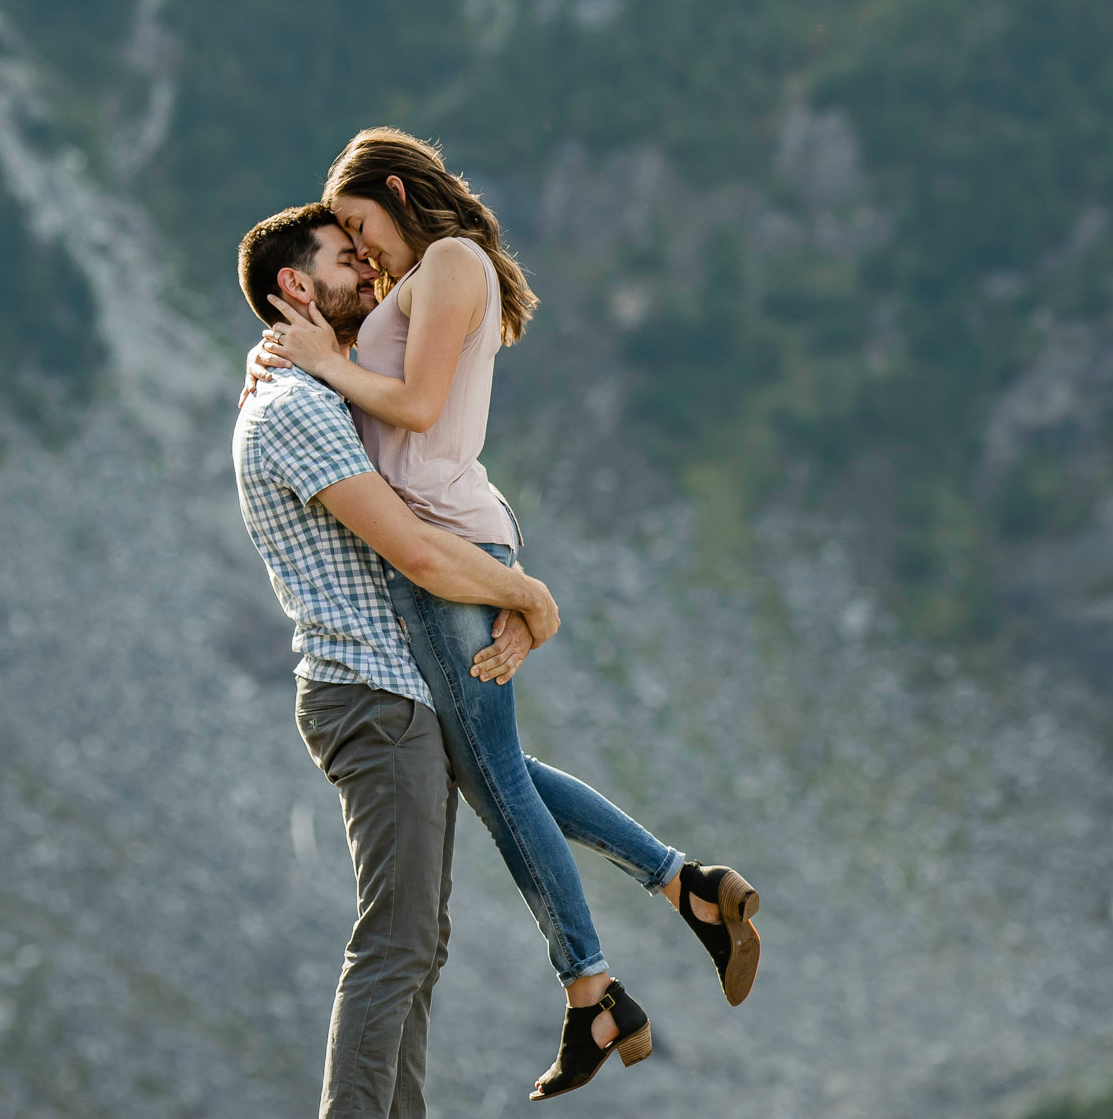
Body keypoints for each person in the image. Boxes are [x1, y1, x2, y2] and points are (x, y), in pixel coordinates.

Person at [256, 129, 761, 1101]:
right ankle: (685, 888)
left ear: (400, 192)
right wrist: (290, 362)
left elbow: (413, 403)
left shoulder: (449, 260)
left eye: (363, 228)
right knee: (495, 769)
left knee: (491, 774)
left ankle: (594, 989)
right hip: (448, 554)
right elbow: (367, 382)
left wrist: (326, 360)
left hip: (450, 553)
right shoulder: (420, 278)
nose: (362, 253)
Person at [232, 202, 561, 1118]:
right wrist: (525, 596)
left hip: (387, 691)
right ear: (294, 287)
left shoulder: (312, 388)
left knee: (418, 939)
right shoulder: (297, 407)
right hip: (368, 692)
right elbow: (412, 548)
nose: (369, 271)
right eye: (346, 259)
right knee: (396, 942)